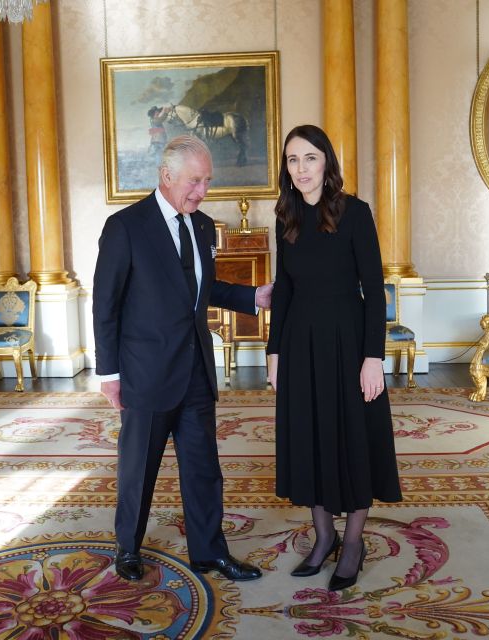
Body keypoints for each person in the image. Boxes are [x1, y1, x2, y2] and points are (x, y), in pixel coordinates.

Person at [94, 134, 272, 583]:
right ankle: (128, 548)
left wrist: (254, 296)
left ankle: (209, 552)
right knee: (139, 469)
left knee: (203, 469)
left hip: (195, 370)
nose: (202, 191)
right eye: (195, 181)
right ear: (166, 175)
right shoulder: (126, 227)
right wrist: (109, 374)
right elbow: (105, 305)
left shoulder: (204, 225)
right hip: (145, 373)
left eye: (208, 181)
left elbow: (201, 289)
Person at [266, 124, 402, 591]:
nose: (300, 168)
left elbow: (375, 292)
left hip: (348, 344)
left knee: (354, 439)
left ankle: (352, 544)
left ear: (326, 162)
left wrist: (372, 358)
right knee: (310, 439)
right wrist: (274, 350)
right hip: (300, 344)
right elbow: (283, 289)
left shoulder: (355, 213)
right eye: (292, 160)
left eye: (309, 158)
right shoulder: (284, 215)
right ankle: (323, 537)